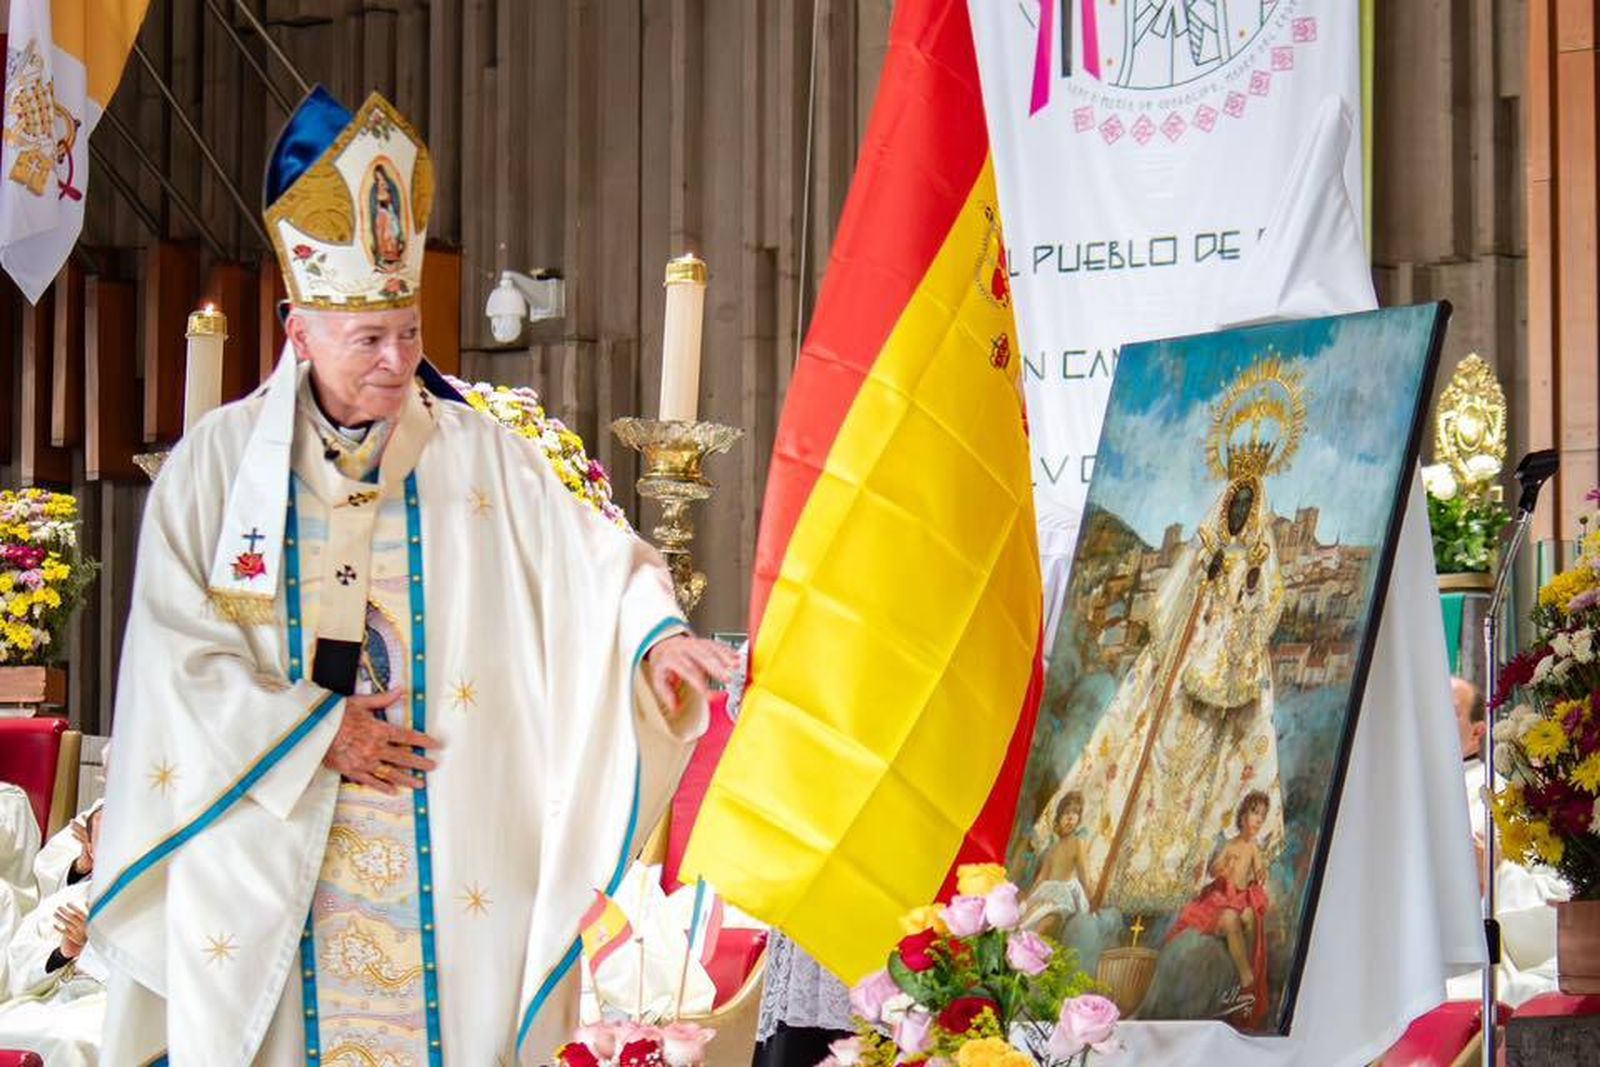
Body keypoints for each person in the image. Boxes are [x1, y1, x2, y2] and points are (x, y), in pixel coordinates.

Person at [89, 86, 735, 1066]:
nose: (398, 362)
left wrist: (655, 633)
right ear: (297, 328)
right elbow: (178, 655)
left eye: (409, 331)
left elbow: (592, 559)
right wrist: (314, 731)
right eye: (368, 339)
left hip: (452, 871)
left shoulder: (484, 456)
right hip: (273, 870)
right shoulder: (215, 472)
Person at [1445, 676, 1567, 1006]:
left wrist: (1495, 875)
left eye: (1449, 710)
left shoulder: (1500, 801)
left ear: (1477, 732)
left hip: (1461, 977)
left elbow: (1555, 911)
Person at [0, 807, 108, 1067]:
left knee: (67, 1041)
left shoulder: (160, 904)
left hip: (105, 1007)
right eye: (108, 842)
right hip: (50, 1002)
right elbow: (14, 973)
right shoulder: (64, 902)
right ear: (90, 849)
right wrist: (62, 954)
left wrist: (89, 950)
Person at [1166, 790, 1272, 1027]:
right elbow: (1213, 871)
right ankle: (1246, 977)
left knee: (1247, 915)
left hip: (1241, 897)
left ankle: (1251, 970)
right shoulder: (1230, 844)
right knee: (1231, 919)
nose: (1258, 820)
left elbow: (1259, 871)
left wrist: (1262, 874)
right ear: (1243, 814)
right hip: (1222, 896)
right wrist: (1222, 864)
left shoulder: (1253, 847)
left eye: (1262, 817)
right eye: (1254, 813)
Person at [1021, 791, 1091, 939]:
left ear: (1079, 819)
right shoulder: (1053, 847)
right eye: (1066, 813)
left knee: (1045, 924)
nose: (1070, 818)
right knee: (1024, 919)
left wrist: (1091, 903)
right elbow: (1042, 877)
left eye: (1075, 814)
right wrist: (1028, 899)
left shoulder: (1078, 843)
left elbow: (1084, 877)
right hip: (1046, 891)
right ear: (1058, 818)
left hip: (1063, 895)